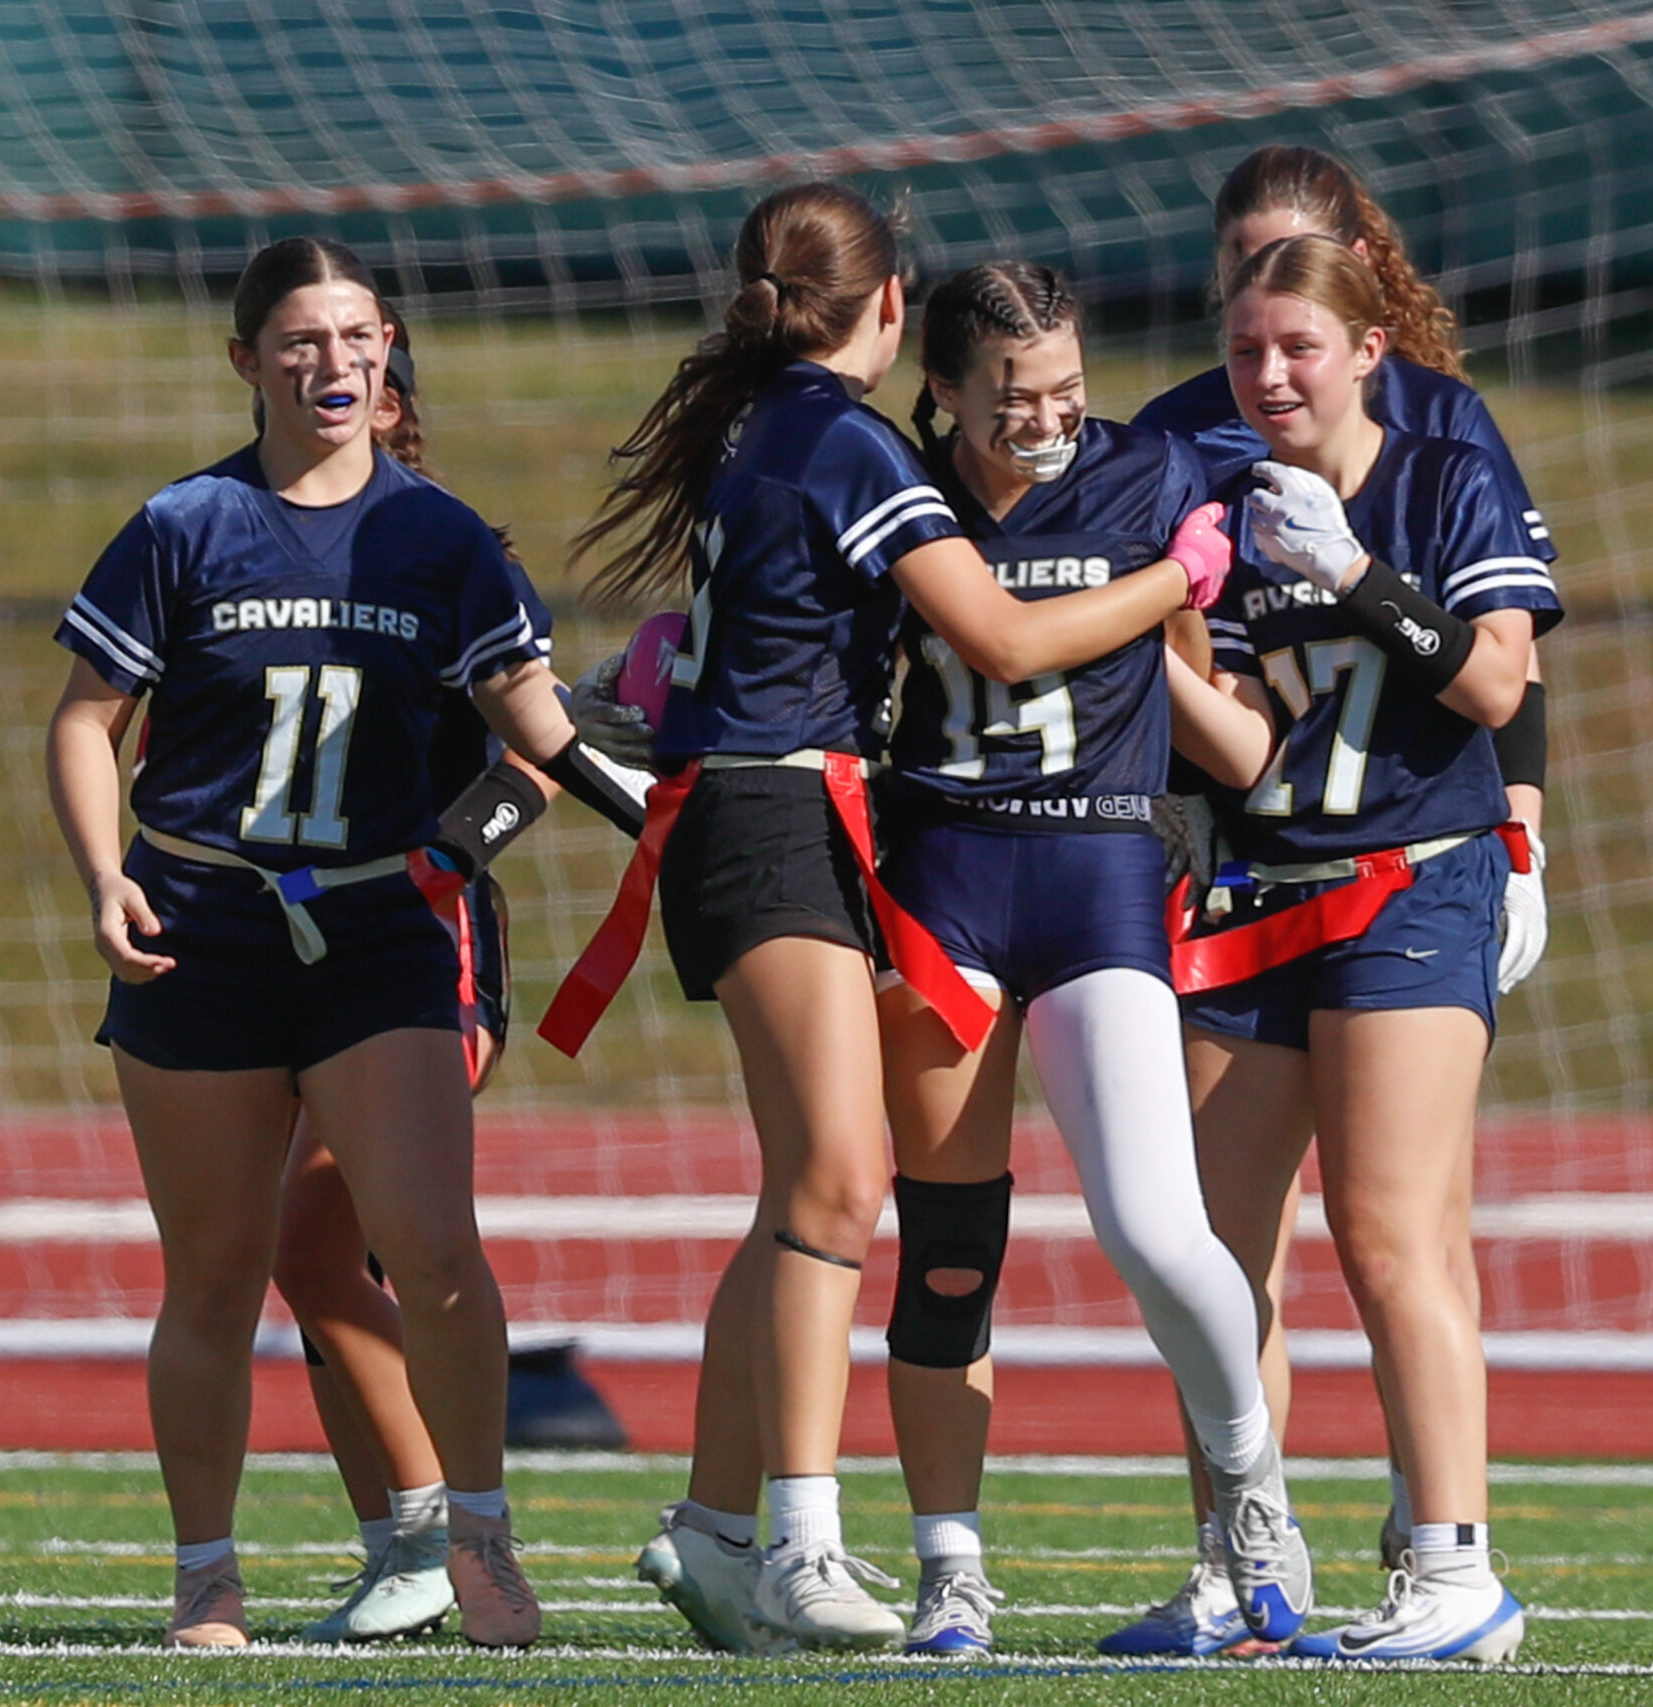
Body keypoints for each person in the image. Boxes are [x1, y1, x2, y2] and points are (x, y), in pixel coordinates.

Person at [538, 183, 1219, 1654]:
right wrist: (1180, 575)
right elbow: (1007, 637)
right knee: (843, 1183)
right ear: (893, 311)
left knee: (803, 1192)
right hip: (777, 811)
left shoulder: (770, 423)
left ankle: (718, 1532)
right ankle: (797, 1540)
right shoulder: (848, 441)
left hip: (774, 807)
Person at [44, 236, 632, 1650]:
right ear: (246, 361)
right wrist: (99, 877)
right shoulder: (182, 525)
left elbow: (536, 727)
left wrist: (672, 806)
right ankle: (207, 1580)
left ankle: (475, 1545)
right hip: (203, 927)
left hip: (380, 932)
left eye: (358, 337)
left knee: (432, 1249)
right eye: (303, 341)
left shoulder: (438, 536)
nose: (336, 363)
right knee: (218, 1274)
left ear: (388, 352)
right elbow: (82, 720)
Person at [1114, 143, 1559, 1653]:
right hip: (1252, 882)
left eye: (1296, 344)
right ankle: (1245, 1566)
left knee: (1388, 1232)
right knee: (1205, 1246)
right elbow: (1245, 735)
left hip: (1413, 877)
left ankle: (1452, 1565)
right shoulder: (1201, 467)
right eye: (1246, 344)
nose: (1268, 371)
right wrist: (1158, 633)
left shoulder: (1443, 463)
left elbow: (1502, 679)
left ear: (1369, 342)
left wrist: (1366, 575)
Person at [855, 261, 1301, 1655]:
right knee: (945, 1256)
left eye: (1065, 389)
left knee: (1162, 1230)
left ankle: (1253, 1489)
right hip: (947, 879)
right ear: (942, 391)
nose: (1047, 420)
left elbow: (1205, 690)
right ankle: (949, 1569)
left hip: (1103, 867)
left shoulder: (1153, 468)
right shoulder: (893, 490)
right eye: (1012, 396)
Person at [269, 321, 645, 1645]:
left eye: (368, 373)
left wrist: (446, 851)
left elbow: (540, 753)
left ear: (396, 394)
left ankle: (446, 1537)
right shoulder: (255, 542)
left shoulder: (452, 547)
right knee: (315, 1251)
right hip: (292, 939)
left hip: (426, 946)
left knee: (328, 1231)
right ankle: (402, 1544)